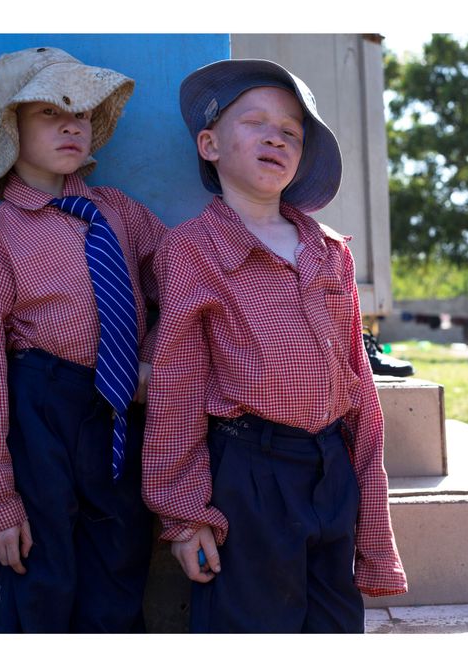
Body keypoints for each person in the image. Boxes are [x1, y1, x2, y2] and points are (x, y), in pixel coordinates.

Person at [143, 58, 407, 633]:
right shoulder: (193, 252)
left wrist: (369, 503)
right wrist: (185, 517)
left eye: (290, 131)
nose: (275, 137)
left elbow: (358, 381)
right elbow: (177, 387)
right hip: (250, 474)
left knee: (336, 625)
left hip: (331, 468)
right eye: (255, 123)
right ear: (209, 145)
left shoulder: (330, 250)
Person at [0, 46, 166, 632]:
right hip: (40, 406)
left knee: (120, 562)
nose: (72, 124)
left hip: (119, 409)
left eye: (81, 113)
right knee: (40, 575)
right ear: (10, 130)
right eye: (48, 112)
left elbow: (180, 289)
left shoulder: (121, 213)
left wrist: (149, 361)